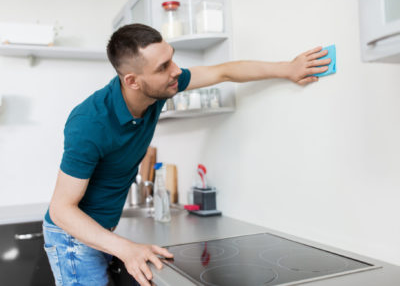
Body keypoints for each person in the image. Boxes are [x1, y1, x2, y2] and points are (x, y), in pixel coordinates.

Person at [43, 23, 330, 286]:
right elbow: (61, 209)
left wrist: (288, 69)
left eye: (172, 57)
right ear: (132, 81)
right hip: (73, 238)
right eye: (163, 66)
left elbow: (224, 71)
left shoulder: (159, 88)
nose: (177, 71)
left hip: (103, 231)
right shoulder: (89, 123)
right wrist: (126, 248)